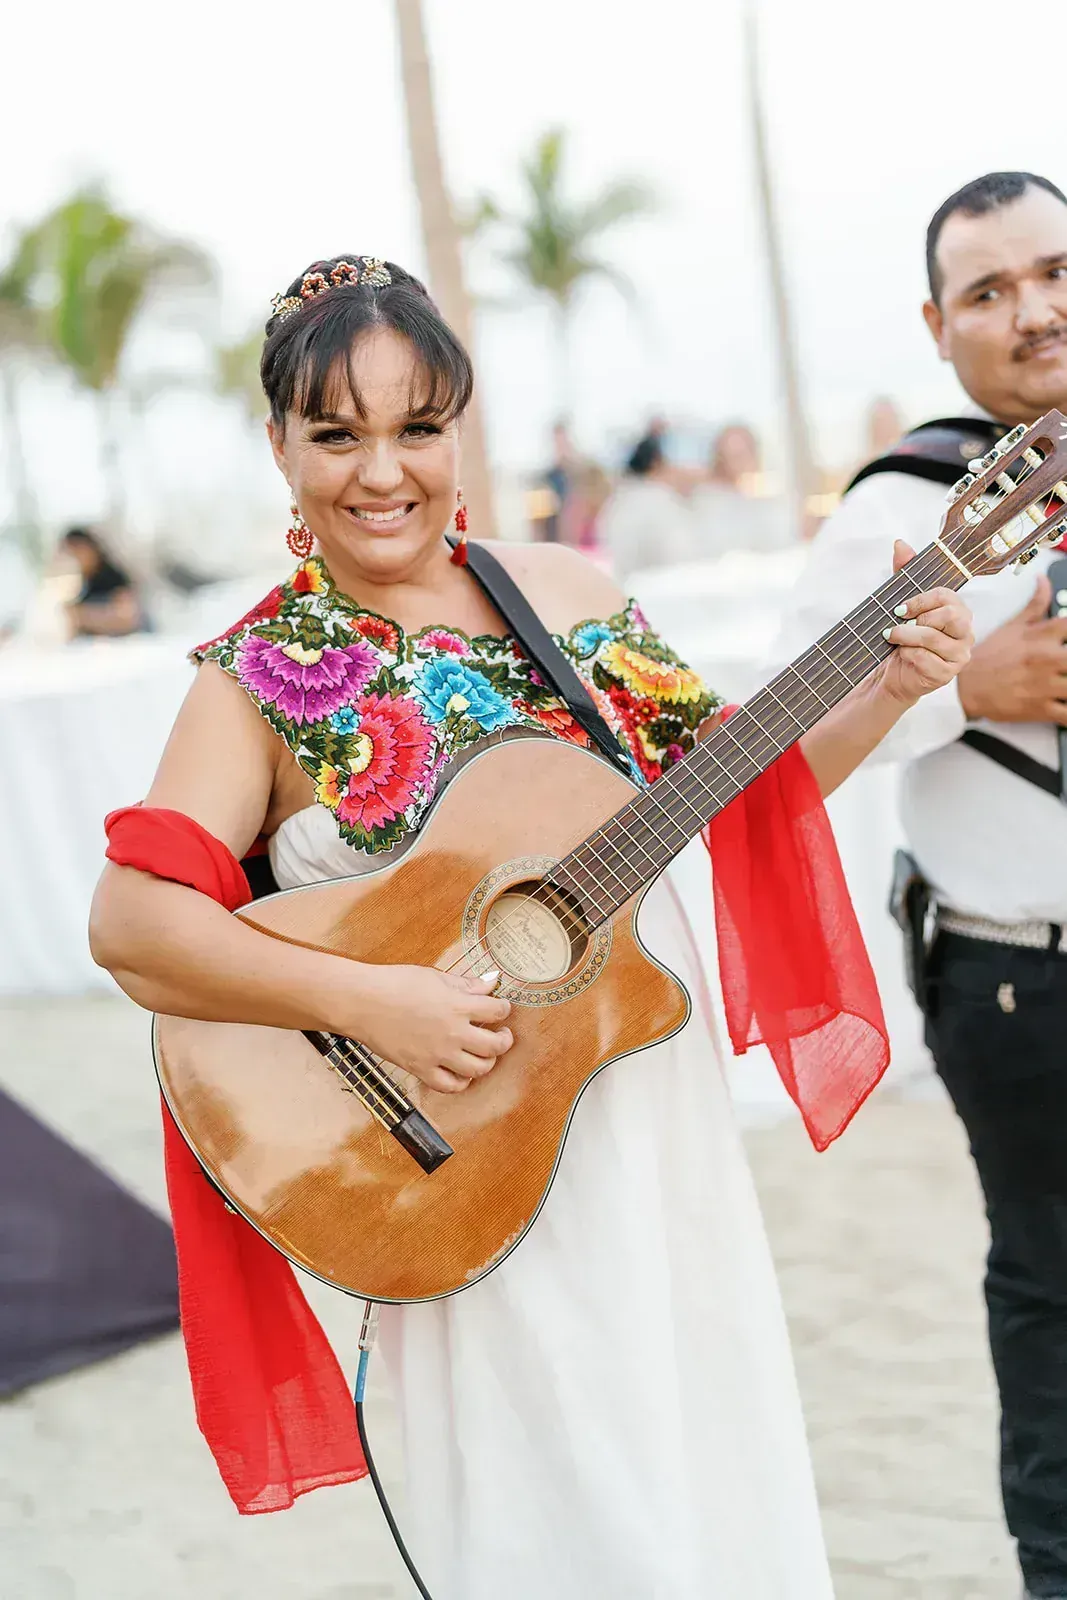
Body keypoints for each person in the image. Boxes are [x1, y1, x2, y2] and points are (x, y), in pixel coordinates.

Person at [87, 254, 970, 1600]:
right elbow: (133, 924)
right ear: (278, 446)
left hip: (647, 1146)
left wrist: (887, 685)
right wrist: (380, 1005)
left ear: (462, 429)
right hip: (460, 1175)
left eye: (418, 427)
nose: (383, 472)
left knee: (710, 1508)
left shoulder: (563, 593)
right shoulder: (260, 679)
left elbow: (731, 802)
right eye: (337, 434)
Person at [770, 171, 1067, 1600]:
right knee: (1055, 1293)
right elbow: (768, 749)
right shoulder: (896, 501)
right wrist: (969, 691)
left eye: (1051, 273)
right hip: (1021, 974)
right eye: (988, 292)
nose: (1031, 312)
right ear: (935, 326)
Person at [598, 432, 695, 577]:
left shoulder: (617, 502)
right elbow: (683, 560)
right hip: (656, 591)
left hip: (626, 592)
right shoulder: (661, 502)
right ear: (657, 464)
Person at [690, 422, 793, 556]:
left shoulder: (758, 501)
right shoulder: (706, 501)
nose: (741, 460)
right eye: (735, 454)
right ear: (719, 456)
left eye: (746, 451)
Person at [59, 527, 146, 638]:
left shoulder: (113, 577)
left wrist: (82, 616)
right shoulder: (80, 584)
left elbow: (128, 619)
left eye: (76, 549)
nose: (74, 557)